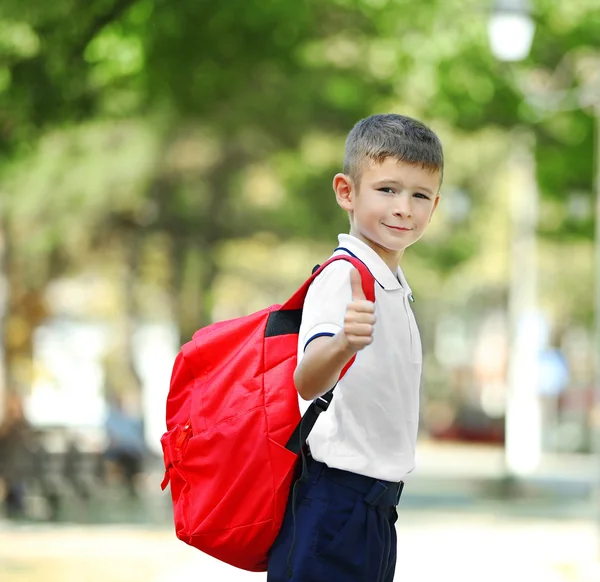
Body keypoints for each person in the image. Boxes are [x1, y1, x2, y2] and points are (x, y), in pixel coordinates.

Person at [267, 113, 444, 582]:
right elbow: (306, 378)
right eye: (387, 190)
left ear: (435, 205)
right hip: (334, 503)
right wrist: (343, 341)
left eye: (419, 195)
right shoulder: (345, 275)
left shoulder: (391, 282)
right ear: (347, 191)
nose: (404, 207)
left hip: (373, 509)